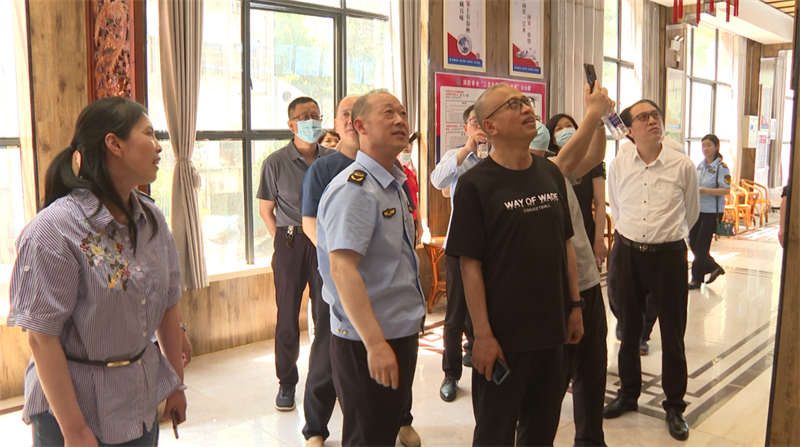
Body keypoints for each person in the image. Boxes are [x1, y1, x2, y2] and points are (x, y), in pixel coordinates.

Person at [7, 96, 187, 446]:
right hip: (74, 410)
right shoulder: (54, 230)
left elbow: (169, 301)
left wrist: (176, 384)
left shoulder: (151, 218)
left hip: (139, 398)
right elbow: (41, 338)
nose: (158, 146)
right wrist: (75, 431)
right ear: (114, 144)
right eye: (149, 133)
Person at [447, 83, 591, 446]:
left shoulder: (550, 173)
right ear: (490, 127)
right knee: (494, 435)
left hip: (552, 331)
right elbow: (469, 266)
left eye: (526, 101)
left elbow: (566, 244)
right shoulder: (474, 184)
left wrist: (575, 306)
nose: (527, 108)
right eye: (513, 105)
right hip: (503, 339)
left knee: (541, 433)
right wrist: (482, 336)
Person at [300, 95, 420, 447]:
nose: (400, 120)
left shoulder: (392, 183)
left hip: (397, 330)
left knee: (381, 430)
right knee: (367, 436)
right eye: (388, 113)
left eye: (403, 113)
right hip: (368, 337)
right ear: (360, 126)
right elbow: (342, 269)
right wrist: (375, 344)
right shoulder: (355, 189)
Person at [603, 99, 699, 441]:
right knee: (629, 331)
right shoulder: (619, 164)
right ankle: (628, 393)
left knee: (672, 334)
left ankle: (674, 405)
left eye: (655, 115)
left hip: (668, 256)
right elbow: (616, 205)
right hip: (628, 254)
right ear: (629, 130)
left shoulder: (682, 165)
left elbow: (691, 212)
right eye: (643, 117)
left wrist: (664, 236)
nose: (652, 120)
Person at [257, 96, 334, 411]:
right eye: (304, 116)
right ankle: (287, 382)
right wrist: (284, 241)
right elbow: (266, 210)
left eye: (316, 115)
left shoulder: (332, 160)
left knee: (326, 313)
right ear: (291, 124)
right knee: (288, 316)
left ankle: (325, 379)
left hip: (325, 242)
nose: (312, 121)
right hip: (290, 242)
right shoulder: (275, 162)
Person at [429, 104, 486, 402]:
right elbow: (438, 181)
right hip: (460, 246)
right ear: (466, 127)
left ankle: (478, 355)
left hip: (493, 248)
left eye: (485, 121)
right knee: (455, 315)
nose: (480, 126)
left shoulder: (502, 156)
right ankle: (450, 374)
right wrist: (467, 149)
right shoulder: (456, 156)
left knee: (488, 311)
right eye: (475, 121)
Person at [547, 114, 608, 268]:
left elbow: (600, 203)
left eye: (569, 126)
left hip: (586, 230)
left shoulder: (589, 162)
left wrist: (599, 240)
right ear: (552, 138)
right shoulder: (549, 165)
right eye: (559, 129)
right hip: (558, 235)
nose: (565, 131)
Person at [688, 134, 730, 290]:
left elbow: (726, 190)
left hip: (712, 212)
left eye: (709, 145)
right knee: (692, 242)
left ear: (716, 147)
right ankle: (713, 267)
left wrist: (706, 190)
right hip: (697, 210)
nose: (705, 149)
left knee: (701, 246)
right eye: (703, 146)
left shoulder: (721, 167)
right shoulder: (700, 165)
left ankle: (696, 279)